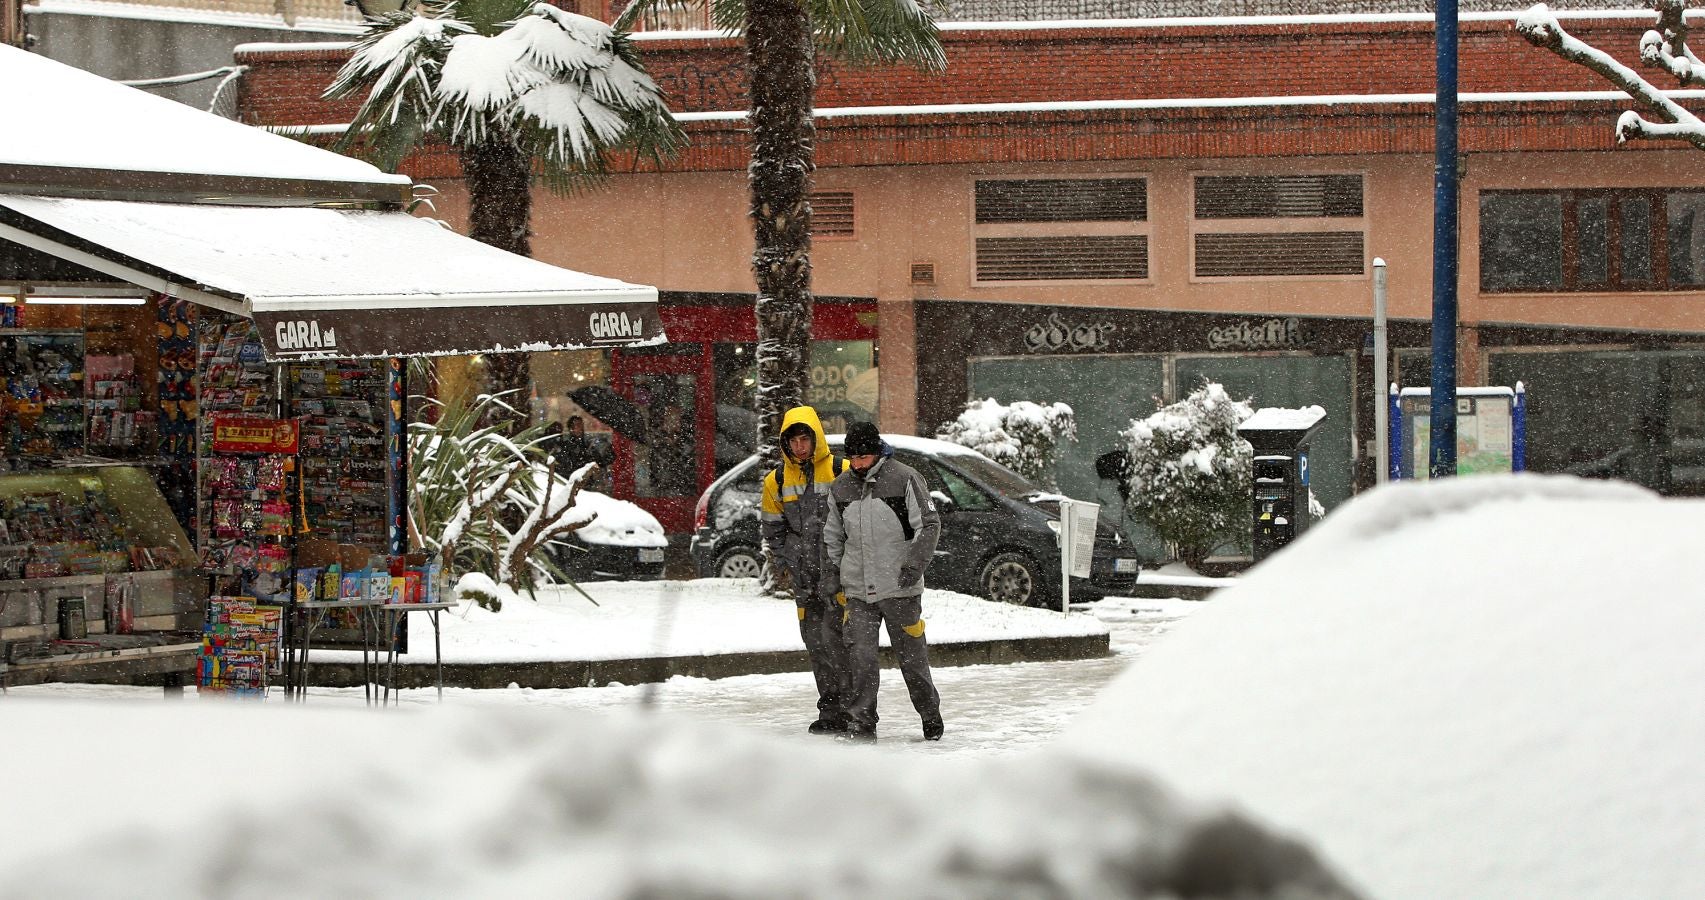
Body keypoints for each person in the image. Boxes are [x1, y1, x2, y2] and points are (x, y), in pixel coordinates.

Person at [823, 421, 944, 743]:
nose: (858, 463)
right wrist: (836, 572)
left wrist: (914, 564)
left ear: (877, 452)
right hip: (858, 591)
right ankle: (862, 724)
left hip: (899, 587)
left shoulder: (905, 478)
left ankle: (930, 714)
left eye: (864, 456)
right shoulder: (840, 488)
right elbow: (833, 536)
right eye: (853, 458)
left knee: (912, 660)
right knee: (860, 657)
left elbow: (929, 525)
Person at [759, 406, 851, 735]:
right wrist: (789, 566)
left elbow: (857, 524)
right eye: (793, 441)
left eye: (804, 439)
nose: (799, 447)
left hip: (838, 575)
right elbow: (773, 531)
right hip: (804, 578)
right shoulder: (777, 480)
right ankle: (829, 709)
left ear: (816, 439)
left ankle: (851, 709)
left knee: (841, 643)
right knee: (816, 644)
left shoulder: (841, 470)